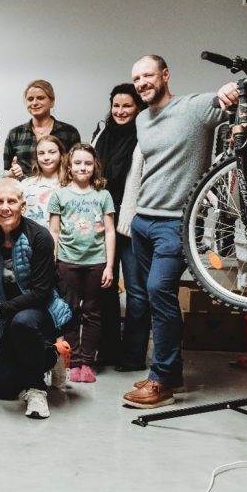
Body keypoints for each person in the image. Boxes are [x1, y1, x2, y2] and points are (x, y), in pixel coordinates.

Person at [121, 55, 238, 409]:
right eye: (137, 78)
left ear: (165, 75)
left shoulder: (194, 107)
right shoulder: (142, 119)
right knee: (154, 299)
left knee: (160, 292)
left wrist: (234, 91)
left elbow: (238, 103)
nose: (142, 83)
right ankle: (170, 372)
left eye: (148, 75)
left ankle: (161, 382)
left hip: (176, 222)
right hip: (143, 220)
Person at [0, 178, 71, 419]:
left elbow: (40, 293)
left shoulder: (40, 237)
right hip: (7, 317)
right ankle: (50, 355)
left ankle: (37, 391)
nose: (5, 207)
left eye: (11, 201)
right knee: (3, 388)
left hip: (42, 311)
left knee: (23, 322)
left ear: (22, 206)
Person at [91, 83, 149, 372]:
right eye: (116, 105)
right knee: (106, 288)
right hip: (103, 223)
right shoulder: (102, 133)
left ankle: (134, 354)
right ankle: (108, 350)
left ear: (138, 107)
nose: (121, 111)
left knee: (137, 290)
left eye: (127, 106)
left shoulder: (146, 135)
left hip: (131, 222)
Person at [47, 143, 115, 383]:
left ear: (94, 166)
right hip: (67, 261)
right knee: (71, 311)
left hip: (96, 263)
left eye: (87, 163)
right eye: (77, 163)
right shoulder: (60, 195)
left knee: (93, 312)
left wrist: (109, 265)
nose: (82, 167)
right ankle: (72, 361)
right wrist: (52, 259)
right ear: (69, 166)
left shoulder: (103, 195)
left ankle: (87, 361)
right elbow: (54, 231)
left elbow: (109, 232)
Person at [4, 79, 81, 178]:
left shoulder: (69, 133)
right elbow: (6, 172)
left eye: (40, 98)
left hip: (59, 191)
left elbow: (76, 168)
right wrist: (12, 173)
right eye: (30, 99)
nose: (34, 103)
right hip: (22, 191)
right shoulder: (15, 134)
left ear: (52, 101)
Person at [21, 135, 64, 228]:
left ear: (61, 155)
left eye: (52, 152)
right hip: (31, 239)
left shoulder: (68, 185)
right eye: (41, 153)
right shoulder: (25, 185)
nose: (46, 157)